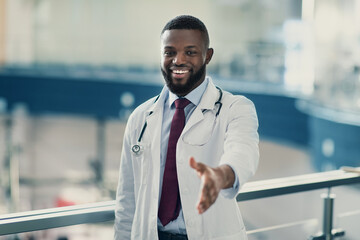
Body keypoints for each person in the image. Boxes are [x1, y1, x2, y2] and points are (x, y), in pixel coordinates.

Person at [114, 15, 259, 240]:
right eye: (169, 52)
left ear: (207, 56)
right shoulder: (140, 118)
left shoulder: (235, 108)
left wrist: (222, 174)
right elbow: (127, 199)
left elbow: (243, 151)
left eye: (190, 52)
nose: (178, 60)